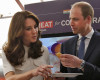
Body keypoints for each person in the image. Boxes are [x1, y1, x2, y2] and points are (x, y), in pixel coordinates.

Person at [2, 10, 53, 80]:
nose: (34, 31)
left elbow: (47, 78)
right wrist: (32, 73)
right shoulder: (8, 51)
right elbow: (9, 78)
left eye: (35, 27)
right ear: (18, 31)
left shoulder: (44, 50)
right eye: (28, 29)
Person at [59, 1, 100, 80]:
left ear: (88, 19)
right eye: (70, 19)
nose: (71, 23)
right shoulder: (66, 45)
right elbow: (65, 74)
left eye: (75, 19)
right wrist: (62, 78)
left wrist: (81, 64)